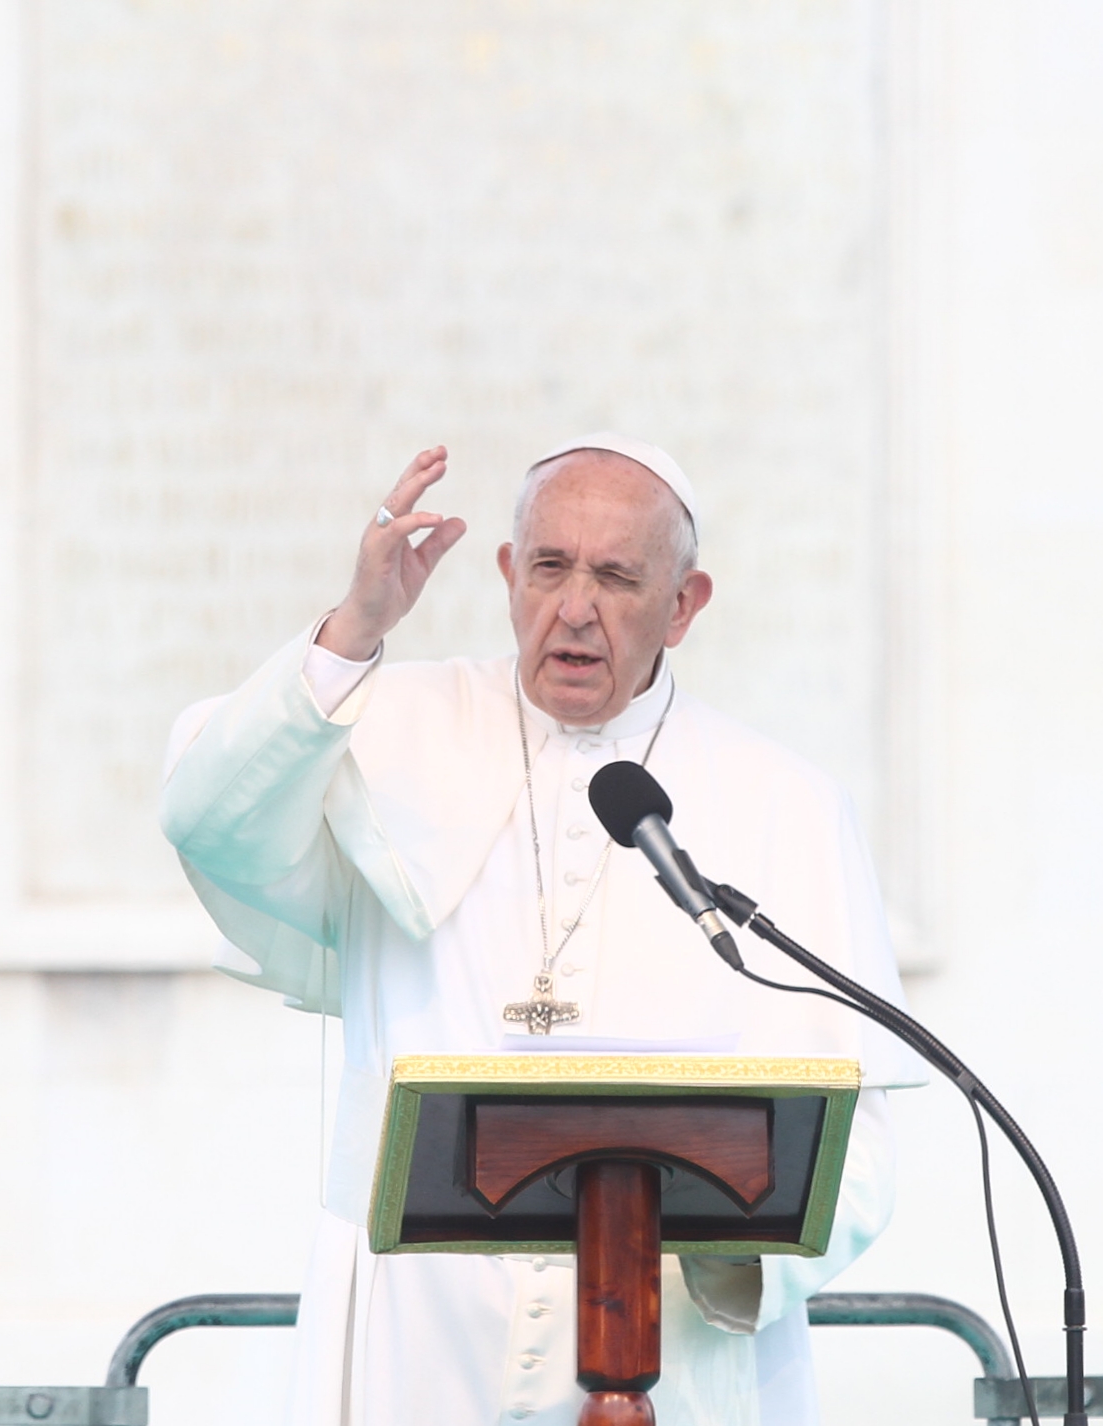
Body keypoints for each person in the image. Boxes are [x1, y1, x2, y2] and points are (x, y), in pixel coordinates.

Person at [160, 435, 923, 1426]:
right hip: (416, 1336)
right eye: (549, 568)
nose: (573, 608)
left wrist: (728, 1258)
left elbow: (852, 1140)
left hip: (672, 1341)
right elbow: (209, 818)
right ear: (507, 574)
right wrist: (355, 627)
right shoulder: (385, 726)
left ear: (682, 605)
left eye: (616, 577)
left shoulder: (786, 804)